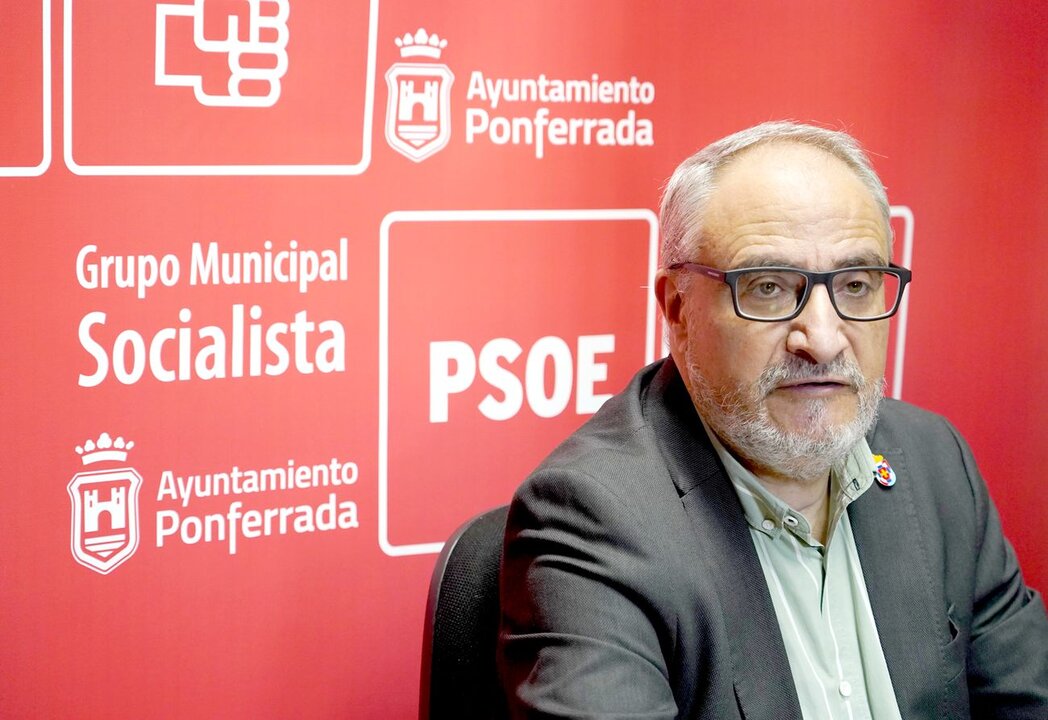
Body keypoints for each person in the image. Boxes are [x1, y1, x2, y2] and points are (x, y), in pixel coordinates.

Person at [497, 121, 1048, 719]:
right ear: (677, 309)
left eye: (857, 285)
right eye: (767, 288)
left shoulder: (935, 463)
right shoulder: (594, 519)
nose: (823, 338)